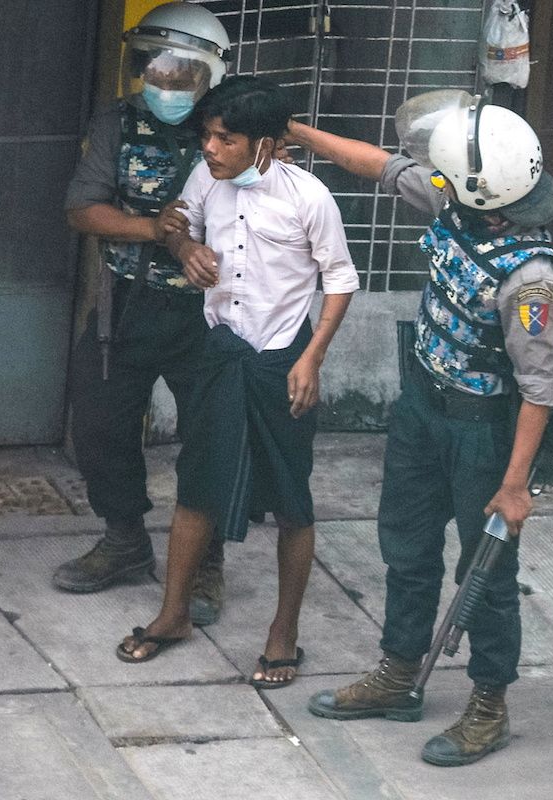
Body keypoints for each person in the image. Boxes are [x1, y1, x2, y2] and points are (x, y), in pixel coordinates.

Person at [284, 93, 553, 765]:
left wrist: (515, 485)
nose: (429, 172)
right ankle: (398, 674)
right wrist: (292, 128)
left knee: (486, 576)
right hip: (421, 410)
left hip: (484, 435)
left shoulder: (530, 277)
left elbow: (538, 388)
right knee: (407, 549)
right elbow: (379, 165)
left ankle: (487, 706)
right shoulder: (455, 199)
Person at [114, 76, 359, 690]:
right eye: (208, 137)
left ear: (269, 146)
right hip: (220, 354)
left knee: (291, 501)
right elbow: (178, 224)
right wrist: (184, 246)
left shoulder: (310, 199)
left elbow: (340, 281)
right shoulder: (206, 179)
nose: (212, 150)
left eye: (226, 139)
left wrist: (313, 359)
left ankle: (284, 634)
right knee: (197, 484)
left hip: (282, 361)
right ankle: (173, 616)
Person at [55, 2, 231, 626]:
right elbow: (83, 209)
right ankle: (125, 539)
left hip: (211, 315)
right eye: (151, 69)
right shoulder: (117, 123)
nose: (163, 85)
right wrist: (156, 232)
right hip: (124, 307)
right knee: (99, 423)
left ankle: (205, 560)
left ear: (210, 75)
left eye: (179, 74)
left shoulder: (230, 132)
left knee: (211, 438)